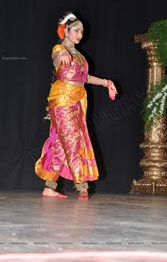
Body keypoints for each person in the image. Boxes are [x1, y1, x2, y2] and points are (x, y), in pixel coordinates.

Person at [35, 11, 118, 200]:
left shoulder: (79, 55)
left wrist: (106, 83)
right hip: (63, 99)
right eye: (76, 30)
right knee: (73, 139)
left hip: (78, 100)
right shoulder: (59, 48)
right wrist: (61, 52)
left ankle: (49, 187)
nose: (80, 35)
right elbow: (56, 60)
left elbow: (84, 78)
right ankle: (82, 187)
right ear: (66, 31)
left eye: (82, 32)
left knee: (60, 142)